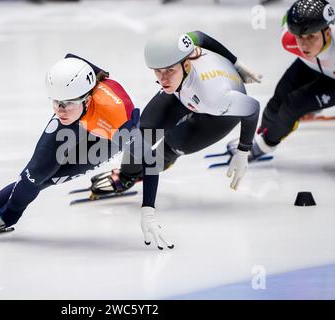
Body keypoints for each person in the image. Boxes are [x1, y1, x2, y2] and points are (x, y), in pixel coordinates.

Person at [90, 29, 262, 250]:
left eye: (169, 71)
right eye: (157, 72)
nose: (163, 78)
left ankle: (158, 162)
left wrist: (243, 151)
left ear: (186, 63)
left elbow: (252, 108)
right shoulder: (181, 54)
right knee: (141, 134)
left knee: (172, 143)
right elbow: (199, 36)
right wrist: (236, 62)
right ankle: (127, 176)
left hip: (218, 114)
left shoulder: (215, 96)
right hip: (183, 91)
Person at [0, 54, 139, 236]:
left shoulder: (119, 119)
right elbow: (71, 60)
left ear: (86, 99)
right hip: (79, 118)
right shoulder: (71, 88)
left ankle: (7, 216)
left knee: (47, 179)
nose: (59, 109)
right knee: (34, 174)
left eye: (66, 102)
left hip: (107, 136)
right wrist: (68, 104)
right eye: (55, 101)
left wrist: (132, 181)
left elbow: (144, 153)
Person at [233, 0, 335, 159]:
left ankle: (265, 145)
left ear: (327, 33)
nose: (304, 45)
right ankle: (260, 134)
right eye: (299, 37)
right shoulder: (289, 40)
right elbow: (288, 16)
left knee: (293, 105)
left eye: (311, 37)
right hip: (312, 64)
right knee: (279, 97)